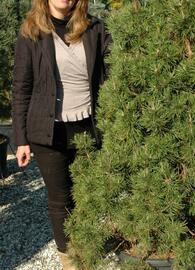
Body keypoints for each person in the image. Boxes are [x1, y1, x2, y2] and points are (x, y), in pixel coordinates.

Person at [12, 0, 111, 269]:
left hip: (89, 128)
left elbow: (112, 74)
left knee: (88, 194)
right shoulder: (31, 32)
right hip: (48, 131)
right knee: (60, 199)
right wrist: (20, 139)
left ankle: (87, 246)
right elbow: (21, 88)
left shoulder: (95, 29)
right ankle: (70, 261)